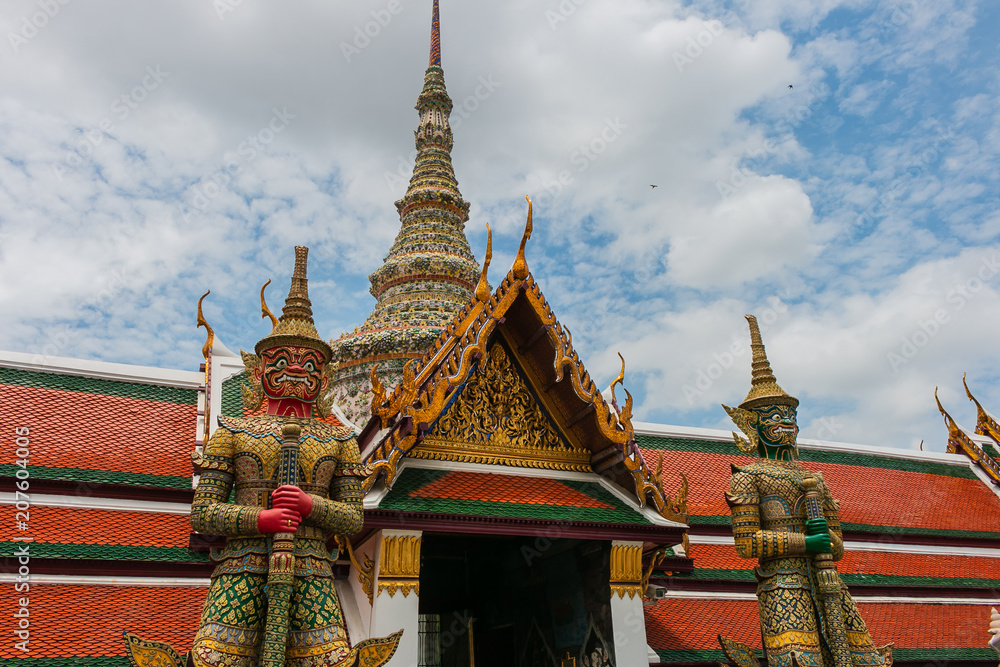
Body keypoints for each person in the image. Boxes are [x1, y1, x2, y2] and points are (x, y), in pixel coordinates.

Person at [188, 246, 399, 667]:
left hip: (311, 568)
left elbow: (353, 519)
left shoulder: (337, 440)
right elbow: (204, 514)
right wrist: (259, 519)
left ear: (324, 374)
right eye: (282, 359)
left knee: (332, 662)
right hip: (242, 566)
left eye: (308, 363)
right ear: (259, 367)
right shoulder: (233, 431)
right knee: (214, 661)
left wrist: (309, 504)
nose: (296, 370)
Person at [721, 315, 888, 667]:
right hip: (783, 585)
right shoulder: (747, 477)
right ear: (754, 425)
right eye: (776, 419)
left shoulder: (815, 478)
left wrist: (825, 540)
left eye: (791, 418)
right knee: (800, 660)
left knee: (863, 660)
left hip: (829, 581)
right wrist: (807, 543)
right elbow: (746, 543)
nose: (788, 427)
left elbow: (838, 546)